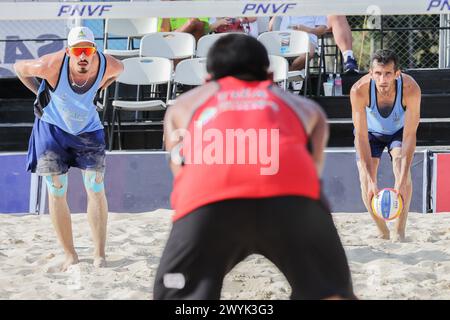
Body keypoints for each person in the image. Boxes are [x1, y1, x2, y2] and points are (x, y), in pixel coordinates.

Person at [153, 34, 356, 300]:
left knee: (177, 297)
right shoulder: (305, 107)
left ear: (206, 80)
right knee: (331, 294)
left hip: (209, 200)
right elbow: (313, 169)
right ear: (270, 75)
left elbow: (180, 169)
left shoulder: (185, 105)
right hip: (291, 199)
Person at [14, 26, 124, 271]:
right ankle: (70, 254)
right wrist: (39, 91)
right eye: (77, 51)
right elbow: (19, 67)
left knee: (95, 186)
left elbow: (120, 70)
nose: (83, 56)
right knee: (56, 190)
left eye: (88, 50)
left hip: (87, 128)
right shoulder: (49, 66)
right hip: (52, 127)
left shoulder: (109, 65)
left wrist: (99, 87)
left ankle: (99, 253)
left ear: (94, 51)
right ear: (69, 52)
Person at [350, 49, 421, 241]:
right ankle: (383, 231)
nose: (383, 79)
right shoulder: (359, 90)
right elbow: (361, 137)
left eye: (388, 73)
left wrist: (402, 177)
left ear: (397, 73)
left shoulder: (410, 88)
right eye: (378, 74)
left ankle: (399, 230)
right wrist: (372, 181)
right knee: (366, 178)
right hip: (371, 134)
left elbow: (410, 135)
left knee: (401, 168)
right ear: (371, 74)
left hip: (398, 132)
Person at [270, 15, 328, 91]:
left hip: (306, 38)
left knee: (308, 53)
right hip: (285, 39)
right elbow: (271, 26)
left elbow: (323, 29)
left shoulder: (316, 4)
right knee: (272, 52)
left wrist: (308, 30)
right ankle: (294, 75)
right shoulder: (286, 3)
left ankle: (284, 76)